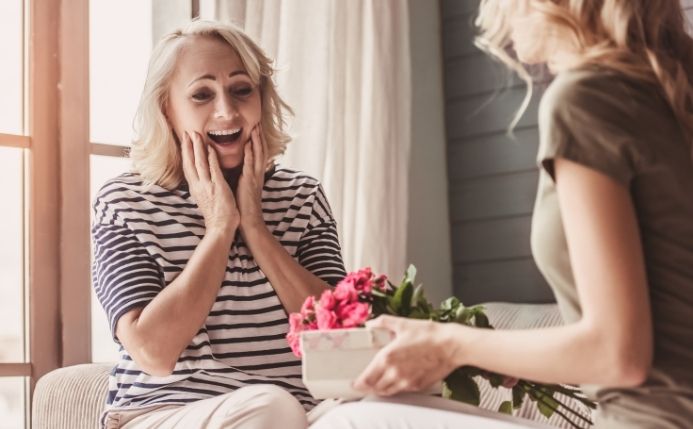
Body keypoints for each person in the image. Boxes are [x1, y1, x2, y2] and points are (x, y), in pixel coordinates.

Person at [312, 0, 693, 428]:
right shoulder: (672, 82)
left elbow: (616, 354)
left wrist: (447, 343)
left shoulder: (586, 98)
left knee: (348, 423)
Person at [92, 19, 346, 429]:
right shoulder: (125, 201)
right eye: (201, 94)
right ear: (166, 109)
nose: (227, 110)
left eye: (242, 90)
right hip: (164, 413)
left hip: (303, 412)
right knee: (271, 407)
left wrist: (257, 230)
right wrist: (219, 228)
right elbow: (154, 353)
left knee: (385, 409)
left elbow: (339, 338)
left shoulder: (303, 197)